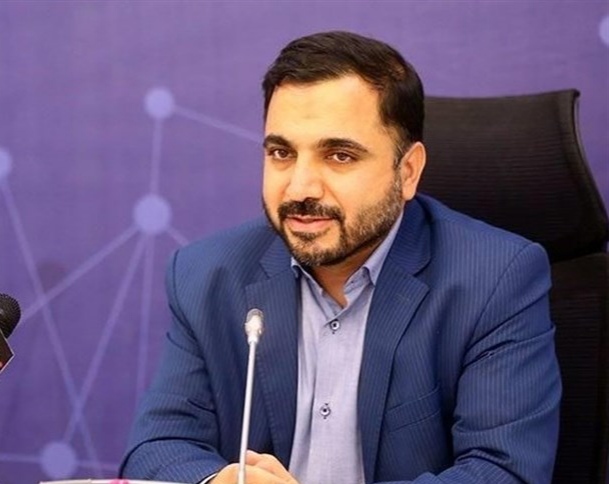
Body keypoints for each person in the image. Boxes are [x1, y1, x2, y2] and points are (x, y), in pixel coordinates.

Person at [120, 31, 561, 484]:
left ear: (408, 171)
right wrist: (220, 481)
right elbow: (157, 447)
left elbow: (502, 471)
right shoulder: (207, 275)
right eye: (281, 153)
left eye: (340, 156)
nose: (300, 188)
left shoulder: (495, 280)